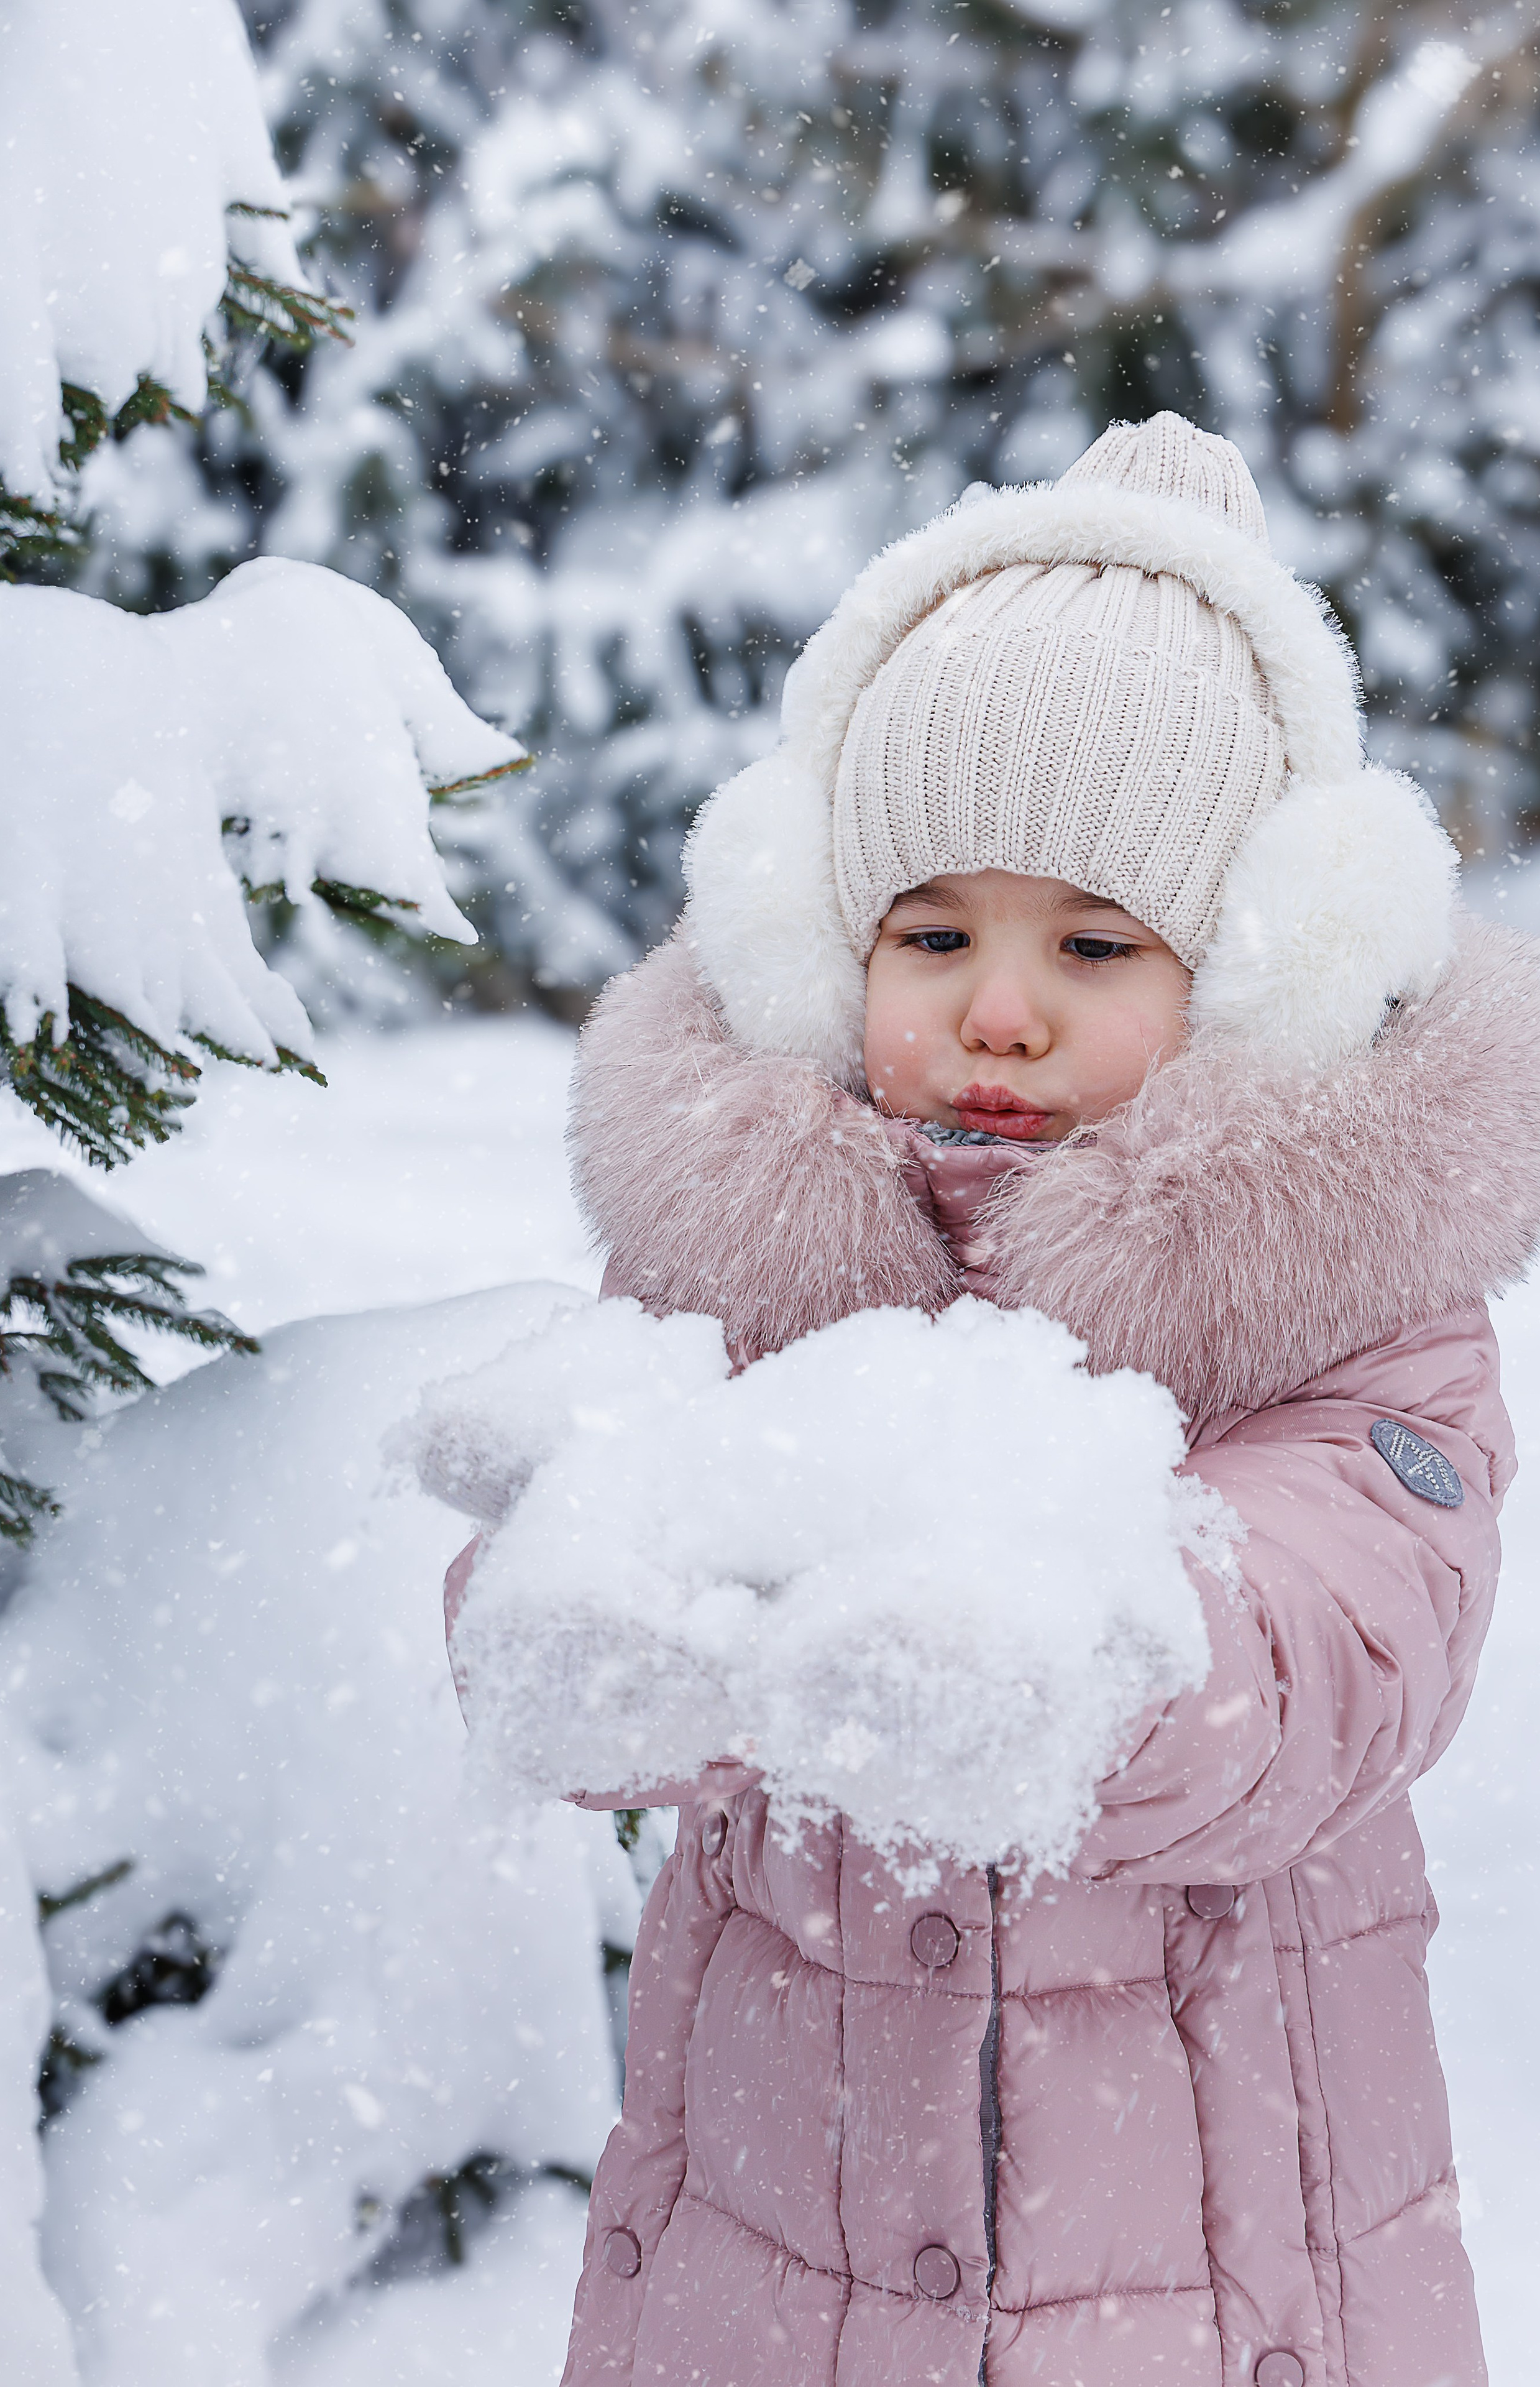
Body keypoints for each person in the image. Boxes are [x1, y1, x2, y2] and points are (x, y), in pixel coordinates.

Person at [454, 416, 1540, 2387]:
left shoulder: (1347, 1287)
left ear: (1258, 976)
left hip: (1210, 2280)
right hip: (783, 2267)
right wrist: (597, 1619)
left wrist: (1090, 1665)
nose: (999, 1010)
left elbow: (1352, 1627)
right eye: (932, 934)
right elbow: (616, 1494)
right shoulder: (754, 1254)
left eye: (1096, 943)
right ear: (819, 947)